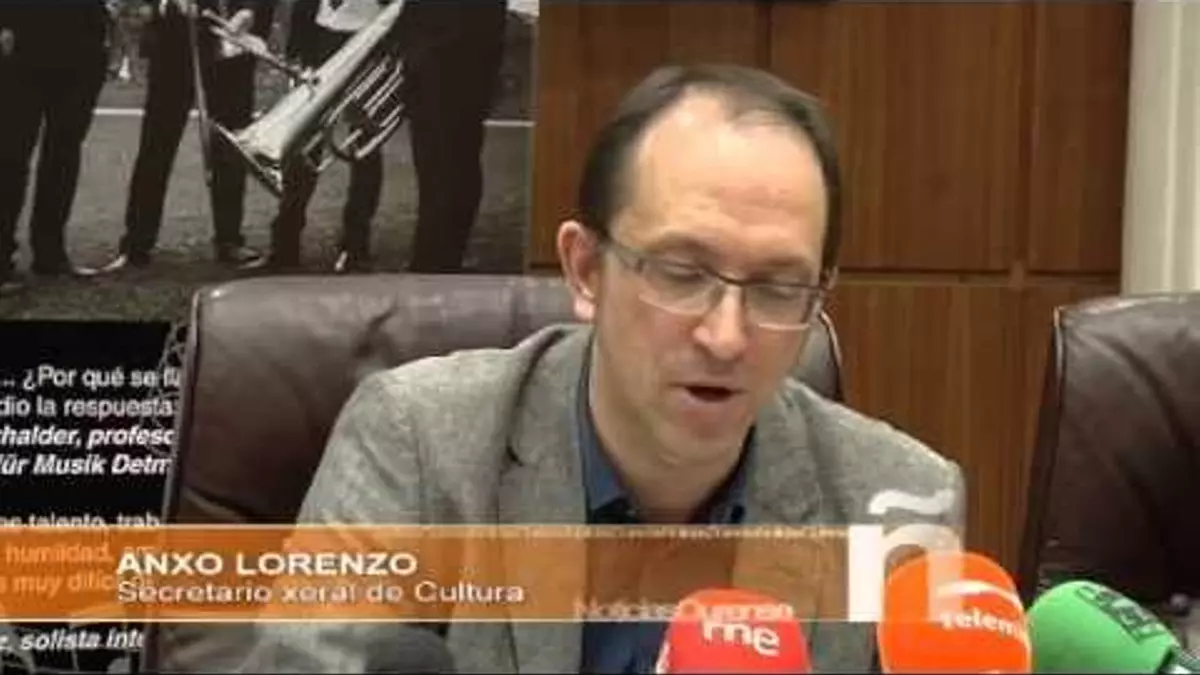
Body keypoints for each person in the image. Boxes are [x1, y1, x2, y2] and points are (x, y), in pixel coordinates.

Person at [159, 64, 967, 672]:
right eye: (681, 272)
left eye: (779, 287)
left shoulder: (897, 498)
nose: (726, 336)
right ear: (586, 270)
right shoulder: (418, 442)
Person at [97, 0, 274, 274]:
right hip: (174, 48)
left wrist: (250, 10)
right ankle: (136, 242)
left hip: (232, 45)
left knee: (229, 146)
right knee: (156, 146)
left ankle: (229, 239)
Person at [263, 0, 387, 273]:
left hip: (370, 33)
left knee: (364, 147)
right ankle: (285, 245)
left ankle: (355, 245)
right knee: (305, 144)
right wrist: (296, 50)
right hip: (320, 34)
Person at [0, 1, 109, 293]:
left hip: (82, 44)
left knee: (64, 154)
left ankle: (50, 253)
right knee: (10, 155)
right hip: (20, 43)